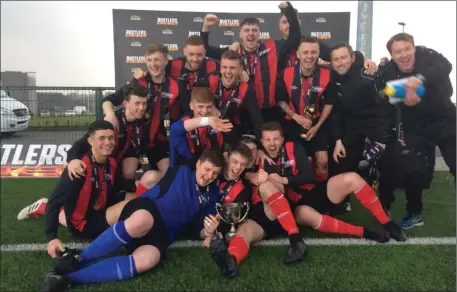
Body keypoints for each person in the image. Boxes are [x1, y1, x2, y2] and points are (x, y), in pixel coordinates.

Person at [42, 115, 233, 292]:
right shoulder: (182, 166)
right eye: (207, 169)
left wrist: (208, 230)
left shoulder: (212, 195)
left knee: (147, 260)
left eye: (214, 174)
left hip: (163, 234)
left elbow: (200, 230)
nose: (209, 176)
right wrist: (208, 120)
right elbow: (176, 129)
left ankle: (69, 279)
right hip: (147, 210)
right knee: (142, 220)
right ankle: (78, 259)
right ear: (198, 164)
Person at [17, 121, 132, 258]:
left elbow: (119, 185)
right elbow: (55, 201)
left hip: (99, 209)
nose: (107, 142)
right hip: (82, 224)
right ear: (90, 141)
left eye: (111, 138)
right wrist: (52, 237)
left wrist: (139, 184)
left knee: (135, 197)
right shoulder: (79, 168)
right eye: (102, 138)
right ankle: (42, 206)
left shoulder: (111, 163)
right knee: (130, 206)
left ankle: (47, 207)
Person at [376, 33, 455, 229]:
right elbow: (382, 93)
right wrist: (398, 93)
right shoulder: (388, 70)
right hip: (415, 125)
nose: (403, 55)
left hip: (445, 119)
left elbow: (446, 66)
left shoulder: (427, 55)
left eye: (406, 49)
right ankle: (414, 213)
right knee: (413, 169)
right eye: (398, 52)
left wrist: (419, 80)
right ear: (392, 55)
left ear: (413, 48)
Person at [200, 2, 301, 122]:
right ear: (241, 35)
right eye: (246, 30)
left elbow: (295, 38)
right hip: (242, 112)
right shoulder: (233, 52)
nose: (251, 33)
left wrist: (288, 10)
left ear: (259, 34)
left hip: (270, 110)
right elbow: (206, 50)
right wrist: (206, 27)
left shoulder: (273, 47)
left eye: (254, 30)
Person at [102, 44, 182, 194]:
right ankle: (126, 200)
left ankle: (152, 200)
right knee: (127, 172)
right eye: (149, 60)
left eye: (157, 60)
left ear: (166, 60)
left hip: (158, 140)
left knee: (169, 175)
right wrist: (110, 115)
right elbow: (109, 100)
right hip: (135, 137)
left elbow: (186, 111)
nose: (153, 64)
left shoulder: (175, 85)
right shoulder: (139, 81)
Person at [63, 86, 148, 194]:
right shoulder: (111, 120)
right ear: (126, 103)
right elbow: (81, 144)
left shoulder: (142, 122)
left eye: (144, 103)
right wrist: (72, 160)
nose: (141, 108)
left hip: (114, 168)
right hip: (97, 167)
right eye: (137, 103)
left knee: (131, 186)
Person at [276, 36, 335, 182]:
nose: (310, 56)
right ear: (298, 54)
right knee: (294, 162)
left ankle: (322, 197)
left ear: (319, 53)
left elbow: (329, 103)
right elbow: (280, 101)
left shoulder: (327, 74)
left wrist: (317, 126)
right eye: (306, 52)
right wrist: (296, 117)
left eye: (313, 52)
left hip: (317, 123)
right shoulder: (285, 73)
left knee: (322, 161)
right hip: (292, 122)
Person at [202, 142, 254, 247]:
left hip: (215, 224)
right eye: (235, 161)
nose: (238, 167)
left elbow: (231, 219)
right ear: (227, 158)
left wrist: (216, 233)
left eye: (243, 164)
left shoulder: (244, 187)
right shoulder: (213, 172)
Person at [209, 50, 264, 144]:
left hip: (234, 130)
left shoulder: (246, 88)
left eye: (232, 68)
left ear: (240, 70)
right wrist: (211, 106)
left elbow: (256, 118)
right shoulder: (211, 80)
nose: (228, 71)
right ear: (220, 68)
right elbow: (197, 101)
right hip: (211, 128)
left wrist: (260, 146)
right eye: (224, 67)